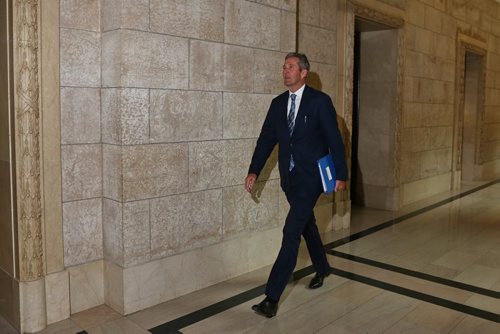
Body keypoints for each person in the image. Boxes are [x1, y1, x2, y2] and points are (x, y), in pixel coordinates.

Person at [245, 52, 347, 318]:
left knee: (291, 232)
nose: (285, 71)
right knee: (306, 224)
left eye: (290, 67)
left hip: (311, 178)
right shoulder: (278, 104)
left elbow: (334, 140)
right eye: (283, 67)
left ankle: (271, 297)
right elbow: (266, 139)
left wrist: (341, 174)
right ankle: (323, 268)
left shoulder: (320, 102)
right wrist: (254, 170)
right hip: (289, 178)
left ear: (304, 72)